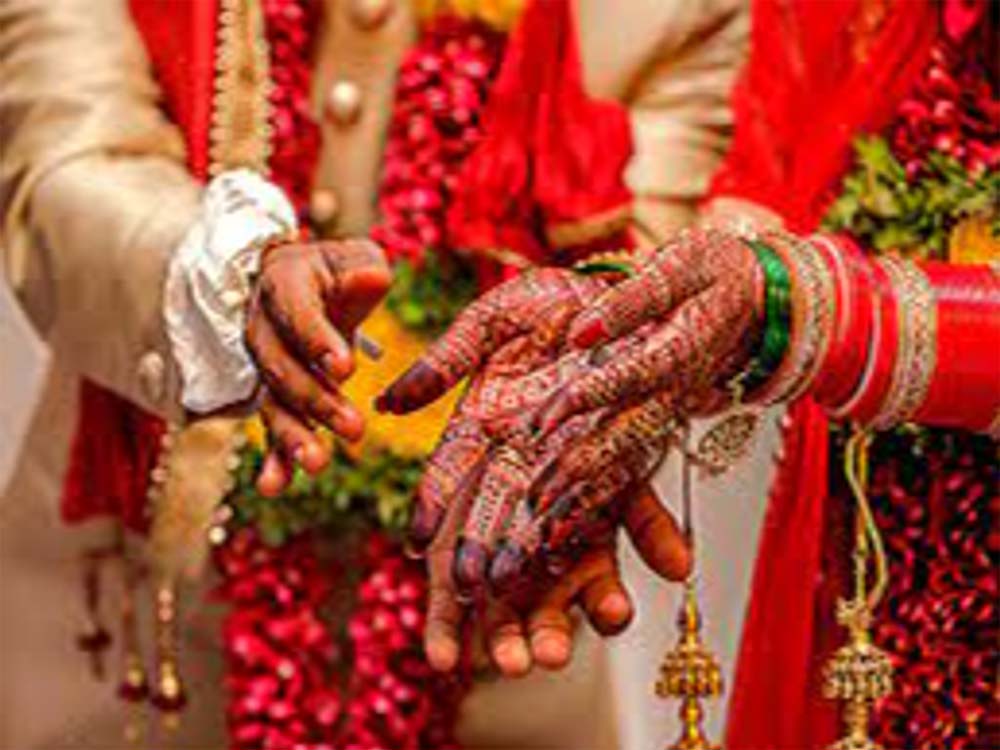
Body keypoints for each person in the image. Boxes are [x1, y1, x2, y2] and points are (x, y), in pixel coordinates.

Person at [0, 0, 752, 747]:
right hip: (138, 621)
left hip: (505, 637)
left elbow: (662, 271)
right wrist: (232, 284)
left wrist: (574, 401)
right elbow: (68, 160)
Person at [380, 0, 999, 747]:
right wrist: (616, 339)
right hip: (882, 557)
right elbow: (765, 196)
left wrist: (797, 307)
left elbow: (777, 287)